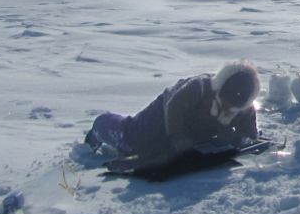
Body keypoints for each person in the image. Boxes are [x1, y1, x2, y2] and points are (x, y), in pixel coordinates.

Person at [84, 61, 261, 173]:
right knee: (132, 141)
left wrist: (235, 138)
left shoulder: (244, 109)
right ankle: (102, 124)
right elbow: (175, 106)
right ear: (220, 89)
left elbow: (251, 137)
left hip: (194, 127)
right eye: (226, 100)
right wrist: (176, 136)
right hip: (165, 111)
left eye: (234, 105)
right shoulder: (199, 87)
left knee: (161, 151)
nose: (229, 107)